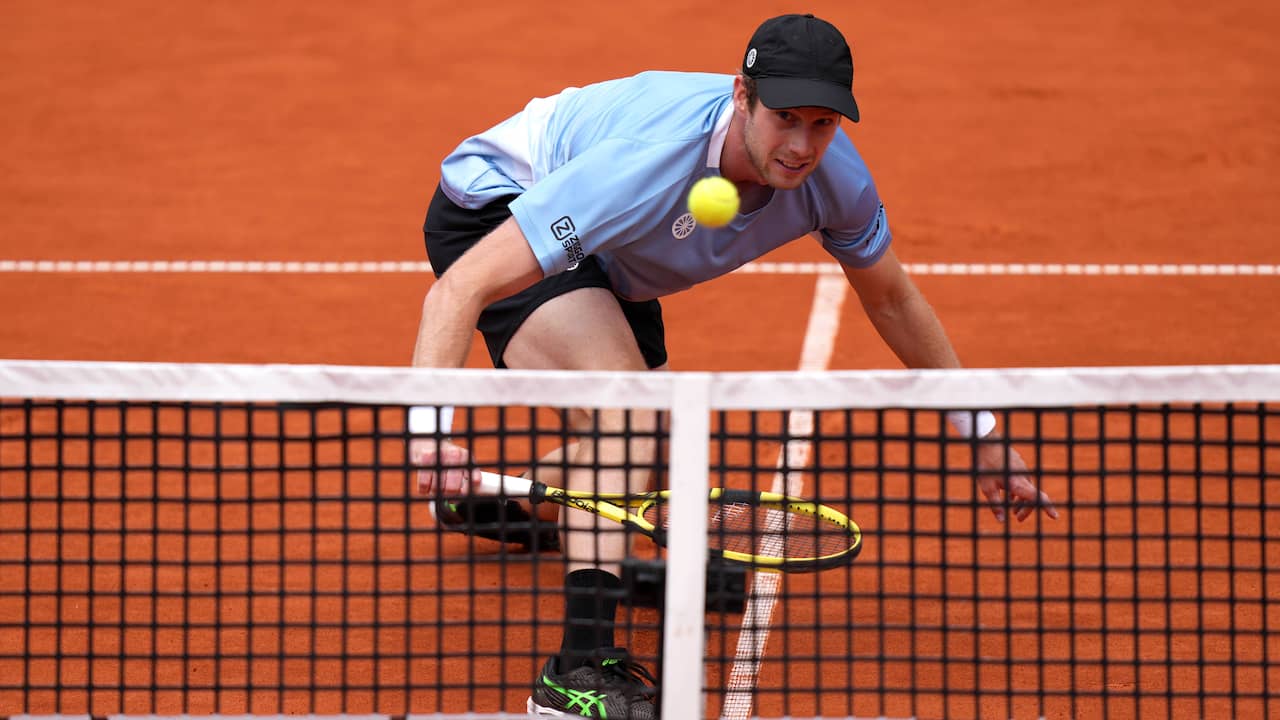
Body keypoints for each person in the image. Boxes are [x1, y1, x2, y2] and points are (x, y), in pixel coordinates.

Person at [410, 13, 1059, 719]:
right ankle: (574, 675)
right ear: (742, 95)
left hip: (617, 253)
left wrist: (985, 435)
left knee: (647, 441)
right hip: (503, 205)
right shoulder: (644, 164)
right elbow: (459, 288)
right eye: (785, 118)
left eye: (823, 124)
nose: (802, 146)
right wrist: (428, 431)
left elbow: (894, 301)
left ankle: (501, 508)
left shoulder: (834, 181)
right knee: (629, 419)